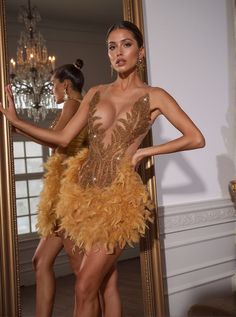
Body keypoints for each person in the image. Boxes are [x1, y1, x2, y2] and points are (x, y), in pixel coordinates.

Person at [0, 20, 205, 317]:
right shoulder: (96, 92)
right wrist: (17, 121)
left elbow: (195, 138)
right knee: (100, 286)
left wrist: (146, 151)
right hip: (80, 195)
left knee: (84, 285)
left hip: (118, 199)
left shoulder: (155, 95)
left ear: (141, 52)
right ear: (107, 54)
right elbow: (62, 138)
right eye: (112, 46)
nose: (118, 52)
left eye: (126, 44)